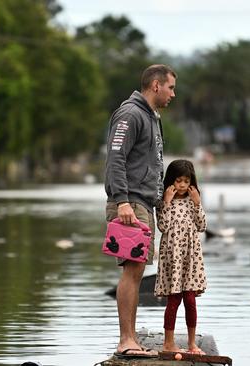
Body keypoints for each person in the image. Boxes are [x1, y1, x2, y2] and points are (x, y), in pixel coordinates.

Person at [105, 64, 177, 358]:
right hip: (129, 204)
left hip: (142, 203)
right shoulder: (131, 114)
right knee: (132, 272)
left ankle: (131, 339)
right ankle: (126, 341)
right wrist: (122, 201)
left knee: (136, 272)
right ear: (156, 85)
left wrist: (162, 201)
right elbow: (115, 158)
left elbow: (149, 164)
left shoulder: (151, 116)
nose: (174, 93)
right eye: (171, 87)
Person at [154, 159, 207, 355]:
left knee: (190, 300)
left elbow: (202, 226)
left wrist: (197, 204)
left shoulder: (193, 201)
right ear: (171, 181)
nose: (182, 185)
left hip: (191, 259)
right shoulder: (164, 202)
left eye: (186, 181)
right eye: (178, 181)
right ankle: (169, 343)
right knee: (174, 300)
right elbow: (163, 227)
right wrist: (166, 202)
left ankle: (192, 343)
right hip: (172, 258)